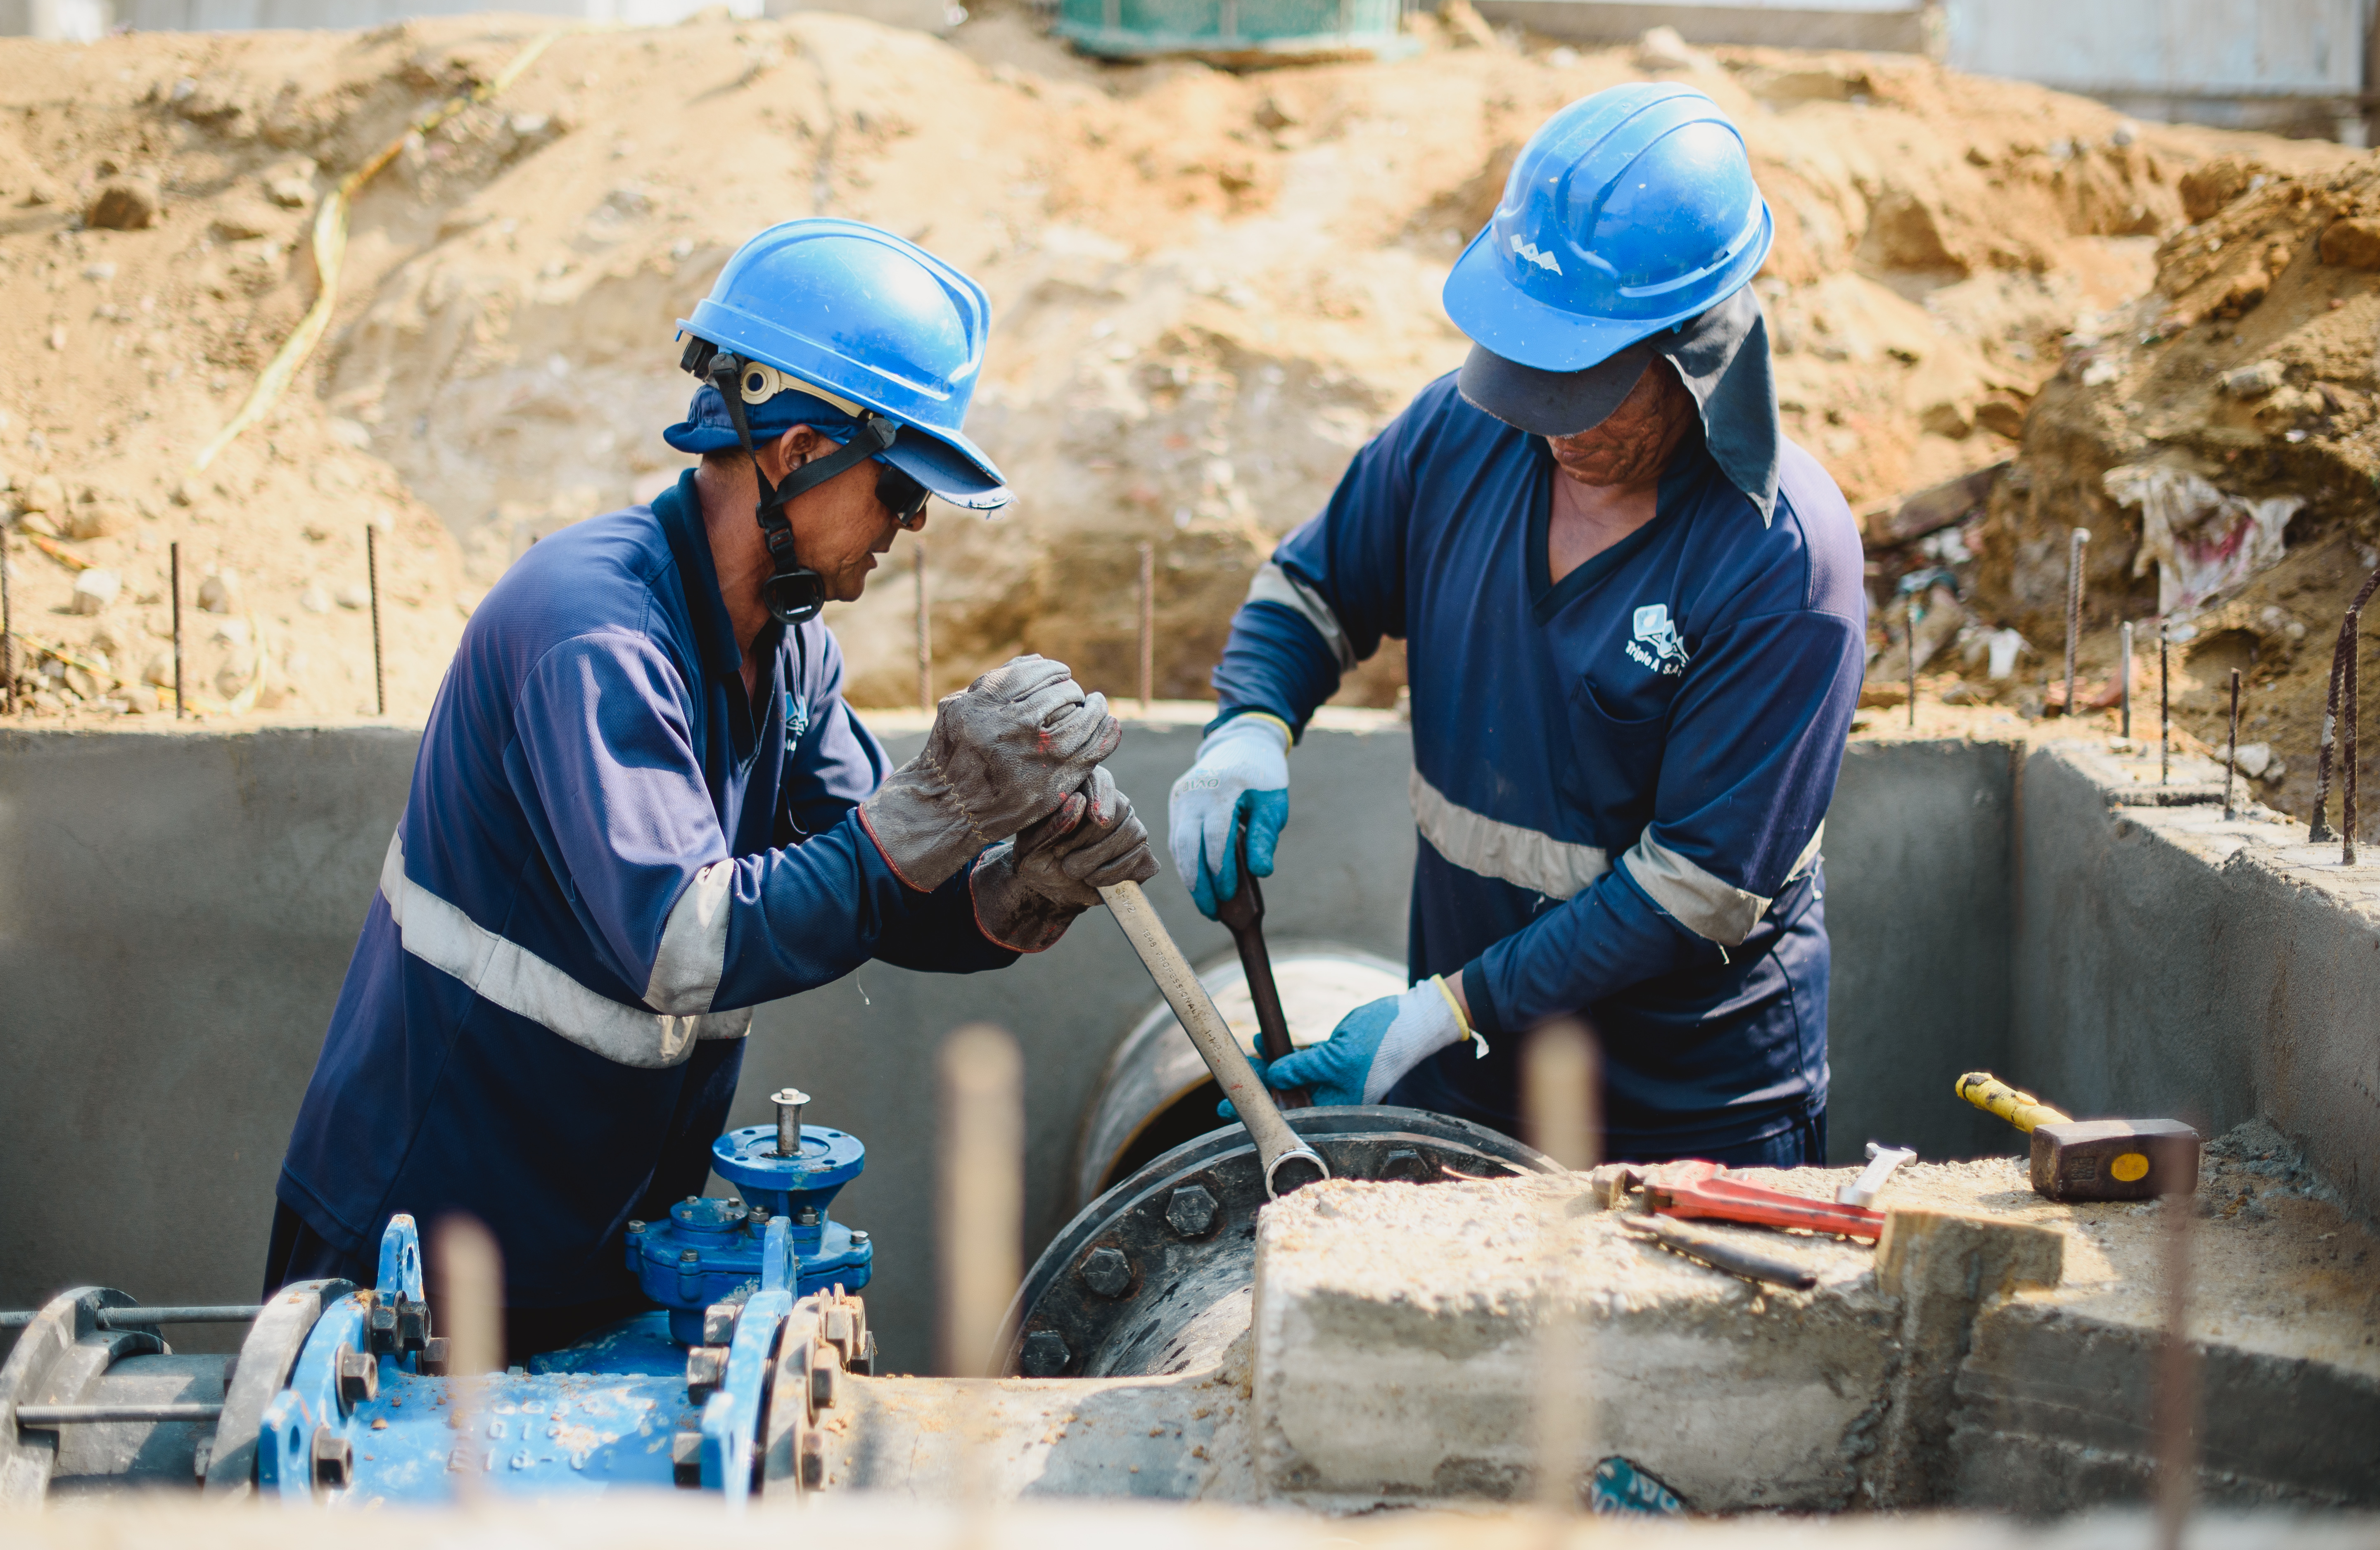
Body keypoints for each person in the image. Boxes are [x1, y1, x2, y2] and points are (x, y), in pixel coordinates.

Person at [267, 220, 1157, 1351]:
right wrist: (937, 797)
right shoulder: (592, 628)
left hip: (602, 1243)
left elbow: (874, 878)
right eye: (896, 488)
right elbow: (679, 946)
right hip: (420, 1258)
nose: (912, 524)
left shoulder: (787, 650)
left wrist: (1018, 889)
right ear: (794, 454)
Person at [1168, 85, 1865, 1167]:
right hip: (1468, 1090)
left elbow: (1695, 889)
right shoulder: (1462, 437)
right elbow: (1312, 587)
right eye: (1526, 365)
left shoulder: (1779, 562)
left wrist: (1441, 1010)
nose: (1546, 416)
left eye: (1581, 384)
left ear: (1692, 355)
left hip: (1684, 1127)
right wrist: (1248, 725)